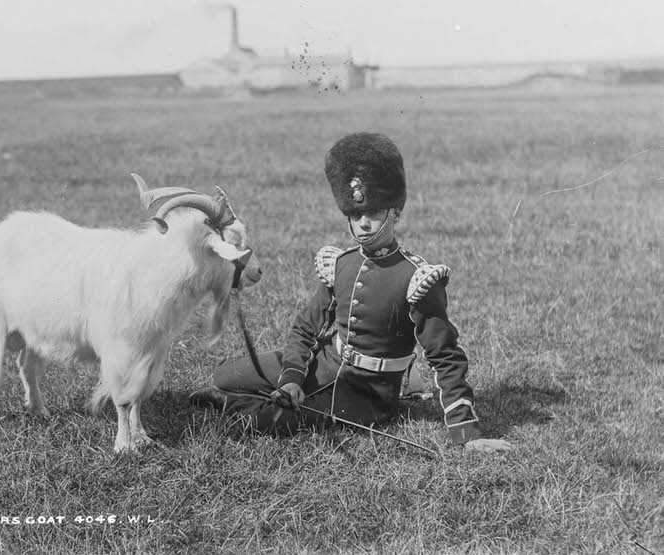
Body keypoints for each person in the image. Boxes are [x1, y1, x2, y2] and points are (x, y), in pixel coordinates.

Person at [191, 133, 511, 453]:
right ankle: (251, 393)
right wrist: (292, 378)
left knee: (266, 420)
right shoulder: (341, 264)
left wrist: (466, 431)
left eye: (374, 213)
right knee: (226, 374)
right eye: (356, 215)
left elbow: (446, 357)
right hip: (326, 362)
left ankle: (231, 405)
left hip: (368, 395)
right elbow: (306, 327)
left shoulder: (416, 277)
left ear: (395, 213)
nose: (364, 224)